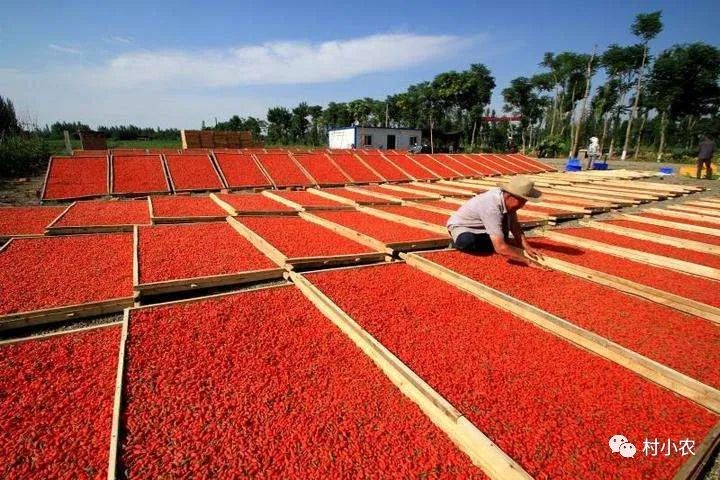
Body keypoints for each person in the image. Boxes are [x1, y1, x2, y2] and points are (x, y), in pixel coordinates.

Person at [446, 176, 544, 267]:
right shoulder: (491, 207)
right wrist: (527, 261)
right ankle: (456, 242)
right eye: (521, 201)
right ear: (510, 196)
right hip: (464, 227)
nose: (522, 205)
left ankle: (496, 241)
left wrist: (526, 247)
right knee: (468, 242)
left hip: (483, 227)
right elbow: (500, 247)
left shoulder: (506, 200)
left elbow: (514, 226)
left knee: (501, 241)